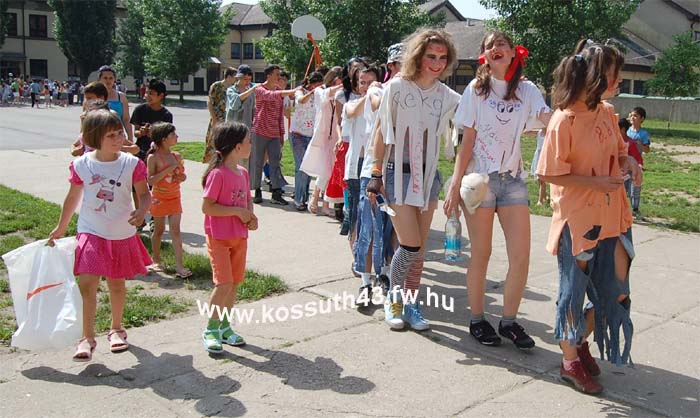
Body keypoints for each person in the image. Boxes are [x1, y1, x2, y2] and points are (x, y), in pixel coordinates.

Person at [536, 39, 640, 394]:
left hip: (614, 215)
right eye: (614, 74)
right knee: (574, 290)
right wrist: (594, 183)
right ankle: (569, 361)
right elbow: (547, 172)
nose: (619, 81)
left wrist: (629, 162)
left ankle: (578, 337)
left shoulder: (608, 112)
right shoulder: (563, 120)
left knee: (616, 291)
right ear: (594, 76)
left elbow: (620, 152)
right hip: (579, 221)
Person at [444, 30, 551, 349]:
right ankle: (477, 319)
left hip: (513, 181)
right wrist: (454, 184)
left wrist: (573, 115)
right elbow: (467, 142)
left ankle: (509, 321)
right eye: (489, 46)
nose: (495, 48)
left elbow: (547, 118)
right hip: (479, 181)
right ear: (485, 56)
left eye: (501, 44)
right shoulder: (476, 90)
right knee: (482, 253)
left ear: (513, 52)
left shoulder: (527, 90)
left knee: (521, 255)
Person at [367, 29, 461, 331]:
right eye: (431, 56)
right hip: (397, 175)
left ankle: (411, 303)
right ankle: (393, 299)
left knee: (418, 252)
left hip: (429, 177)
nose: (436, 63)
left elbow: (475, 115)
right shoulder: (397, 87)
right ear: (418, 56)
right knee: (409, 245)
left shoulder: (447, 96)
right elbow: (381, 131)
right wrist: (376, 173)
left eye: (442, 58)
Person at [48, 109, 152, 362]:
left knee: (116, 284)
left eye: (119, 133)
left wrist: (142, 211)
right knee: (87, 283)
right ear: (95, 138)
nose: (118, 139)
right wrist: (61, 227)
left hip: (121, 233)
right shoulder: (82, 164)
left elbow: (144, 193)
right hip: (91, 229)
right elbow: (72, 197)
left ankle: (117, 329)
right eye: (110, 135)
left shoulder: (131, 163)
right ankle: (87, 337)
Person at [201, 122, 258, 353]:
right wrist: (237, 212)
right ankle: (211, 329)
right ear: (237, 147)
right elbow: (208, 207)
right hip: (219, 238)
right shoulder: (217, 175)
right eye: (248, 141)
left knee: (233, 283)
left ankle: (225, 327)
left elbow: (247, 200)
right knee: (223, 284)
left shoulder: (243, 173)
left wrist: (250, 216)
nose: (251, 145)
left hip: (239, 237)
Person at [353, 44, 403, 298]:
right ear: (391, 66)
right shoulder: (378, 89)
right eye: (404, 63)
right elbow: (377, 102)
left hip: (400, 172)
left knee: (392, 230)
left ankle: (386, 275)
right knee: (369, 229)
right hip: (373, 172)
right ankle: (365, 282)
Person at [146, 122, 191, 279]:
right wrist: (167, 170)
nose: (177, 137)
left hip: (174, 197)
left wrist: (180, 176)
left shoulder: (176, 156)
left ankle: (179, 266)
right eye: (173, 135)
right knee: (158, 230)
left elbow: (183, 176)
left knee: (175, 230)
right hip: (159, 199)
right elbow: (151, 180)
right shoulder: (153, 157)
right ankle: (156, 259)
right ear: (163, 139)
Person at [300, 67, 344, 215]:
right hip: (324, 135)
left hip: (336, 135)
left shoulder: (340, 94)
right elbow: (327, 95)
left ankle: (322, 202)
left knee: (330, 170)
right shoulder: (320, 91)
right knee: (326, 169)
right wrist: (343, 85)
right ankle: (317, 199)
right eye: (339, 80)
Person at [250, 65, 297, 205]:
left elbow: (281, 114)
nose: (279, 77)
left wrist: (281, 134)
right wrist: (289, 91)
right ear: (268, 76)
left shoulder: (279, 91)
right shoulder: (260, 89)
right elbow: (269, 96)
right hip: (260, 131)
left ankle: (276, 193)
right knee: (258, 162)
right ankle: (257, 190)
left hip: (274, 133)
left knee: (275, 163)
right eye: (277, 74)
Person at [71, 82, 138, 157]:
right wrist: (75, 150)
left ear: (101, 98)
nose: (86, 101)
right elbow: (80, 140)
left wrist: (117, 148)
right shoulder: (85, 116)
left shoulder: (111, 116)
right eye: (86, 98)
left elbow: (134, 148)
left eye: (89, 98)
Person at [290, 71, 323, 211]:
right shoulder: (300, 91)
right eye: (317, 84)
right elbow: (300, 100)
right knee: (301, 167)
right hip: (298, 134)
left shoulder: (320, 95)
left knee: (308, 168)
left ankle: (304, 196)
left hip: (312, 135)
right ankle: (298, 199)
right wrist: (312, 92)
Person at [130, 79, 174, 162]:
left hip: (157, 153)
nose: (147, 96)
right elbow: (136, 133)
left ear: (161, 95)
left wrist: (153, 133)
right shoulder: (139, 109)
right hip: (140, 151)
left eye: (151, 93)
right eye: (146, 92)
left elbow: (166, 138)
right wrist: (141, 132)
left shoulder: (167, 115)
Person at [204, 67, 237, 163]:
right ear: (229, 76)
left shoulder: (234, 89)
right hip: (217, 118)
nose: (236, 79)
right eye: (235, 77)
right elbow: (210, 102)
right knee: (213, 142)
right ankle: (210, 163)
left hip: (229, 120)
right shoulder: (216, 86)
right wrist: (214, 118)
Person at [98, 65, 134, 145]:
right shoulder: (93, 96)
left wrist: (130, 137)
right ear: (99, 79)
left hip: (117, 137)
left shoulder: (121, 96)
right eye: (105, 78)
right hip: (98, 137)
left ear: (114, 79)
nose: (108, 80)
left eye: (111, 78)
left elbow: (126, 119)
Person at [626, 107, 650, 217]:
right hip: (624, 164)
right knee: (623, 186)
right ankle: (623, 208)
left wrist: (641, 145)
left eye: (635, 116)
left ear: (642, 119)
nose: (632, 117)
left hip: (636, 164)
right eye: (631, 115)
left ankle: (635, 209)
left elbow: (647, 150)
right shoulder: (626, 130)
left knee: (635, 187)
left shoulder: (643, 133)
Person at [618, 118, 644, 208]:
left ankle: (635, 209)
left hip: (630, 172)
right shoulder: (614, 142)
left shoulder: (630, 143)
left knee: (634, 191)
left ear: (623, 129)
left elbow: (637, 157)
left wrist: (640, 165)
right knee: (621, 192)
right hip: (620, 173)